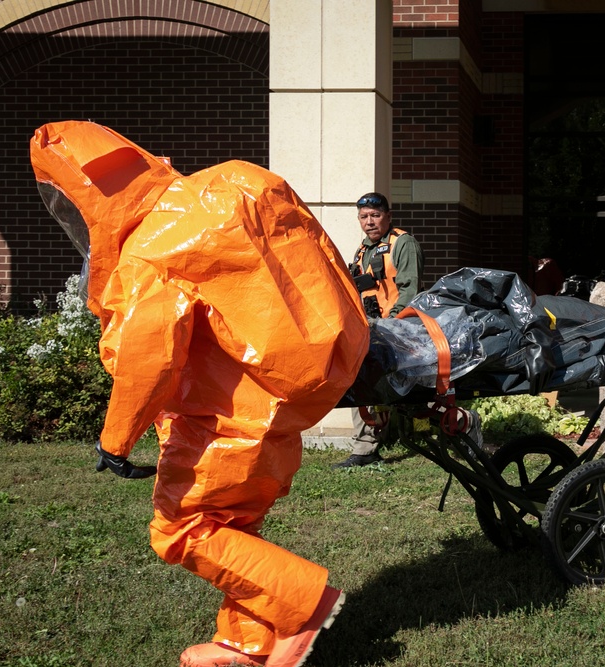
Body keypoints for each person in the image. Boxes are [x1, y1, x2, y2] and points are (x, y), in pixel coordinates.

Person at [30, 121, 370, 666]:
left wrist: (115, 442)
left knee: (184, 528)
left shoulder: (146, 257)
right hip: (302, 388)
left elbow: (150, 358)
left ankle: (302, 604)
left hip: (226, 416)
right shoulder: (238, 180)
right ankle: (250, 644)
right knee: (236, 526)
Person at [334, 192, 425, 469]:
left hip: (400, 327)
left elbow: (410, 288)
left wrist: (394, 323)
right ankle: (365, 448)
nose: (369, 222)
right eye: (364, 217)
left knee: (415, 390)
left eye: (375, 215)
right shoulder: (362, 251)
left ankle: (457, 423)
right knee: (363, 381)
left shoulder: (403, 243)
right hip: (372, 329)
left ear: (388, 216)